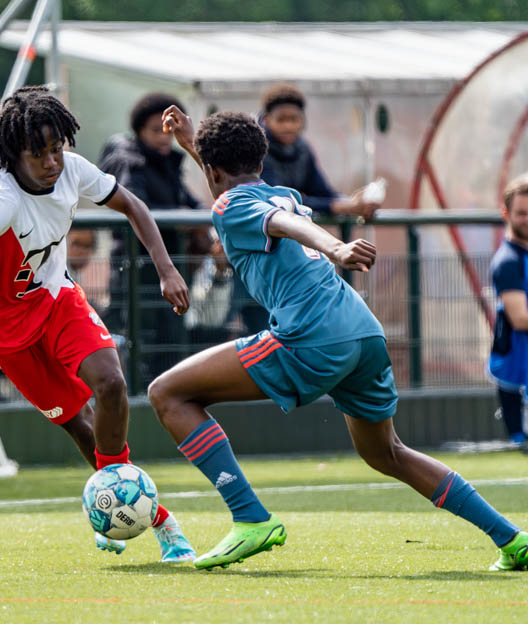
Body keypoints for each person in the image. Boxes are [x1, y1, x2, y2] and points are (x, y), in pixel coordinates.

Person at [149, 106, 528, 571]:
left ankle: (249, 517)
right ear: (261, 162)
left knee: (167, 393)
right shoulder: (280, 192)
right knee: (387, 452)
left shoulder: (232, 204)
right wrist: (195, 145)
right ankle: (510, 539)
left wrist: (337, 247)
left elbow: (281, 223)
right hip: (362, 332)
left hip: (310, 336)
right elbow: (264, 203)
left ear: (211, 171)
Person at [0, 86, 195, 562]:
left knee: (112, 383)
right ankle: (116, 511)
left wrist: (166, 269)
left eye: (57, 148)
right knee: (80, 427)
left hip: (56, 298)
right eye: (38, 153)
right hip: (4, 328)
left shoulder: (73, 170)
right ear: (13, 153)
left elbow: (134, 207)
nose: (52, 161)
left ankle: (159, 521)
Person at [99, 93, 204, 383]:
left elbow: (191, 202)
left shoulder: (168, 163)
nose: (163, 138)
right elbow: (133, 204)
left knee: (171, 342)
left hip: (172, 267)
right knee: (139, 344)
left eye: (167, 132)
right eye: (155, 131)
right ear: (139, 131)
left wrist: (198, 219)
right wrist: (179, 220)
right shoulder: (128, 161)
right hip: (137, 270)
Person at [259, 83, 381, 219]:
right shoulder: (258, 151)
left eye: (294, 119)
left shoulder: (302, 149)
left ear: (302, 120)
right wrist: (341, 206)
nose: (288, 126)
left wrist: (354, 202)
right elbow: (279, 199)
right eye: (281, 120)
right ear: (267, 120)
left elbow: (321, 191)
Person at [487, 174, 528, 445]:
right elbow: (521, 319)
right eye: (521, 213)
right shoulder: (507, 262)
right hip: (518, 374)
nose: (527, 219)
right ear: (506, 213)